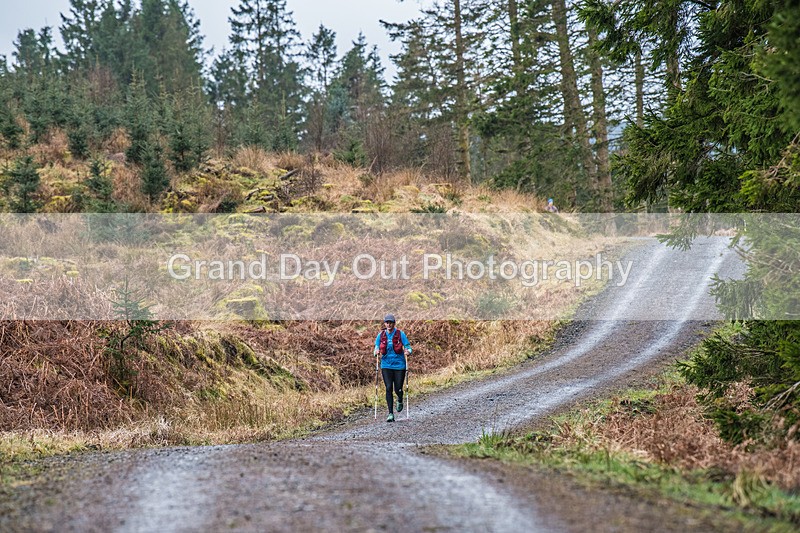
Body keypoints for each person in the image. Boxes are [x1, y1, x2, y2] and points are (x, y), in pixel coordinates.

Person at [373, 314, 412, 422]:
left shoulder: (400, 334)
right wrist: (375, 352)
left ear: (394, 323)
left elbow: (408, 346)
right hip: (386, 365)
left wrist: (408, 351)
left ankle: (400, 398)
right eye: (387, 322)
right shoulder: (381, 335)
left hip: (399, 365)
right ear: (385, 324)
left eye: (391, 322)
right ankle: (390, 413)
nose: (389, 324)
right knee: (388, 387)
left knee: (398, 388)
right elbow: (376, 347)